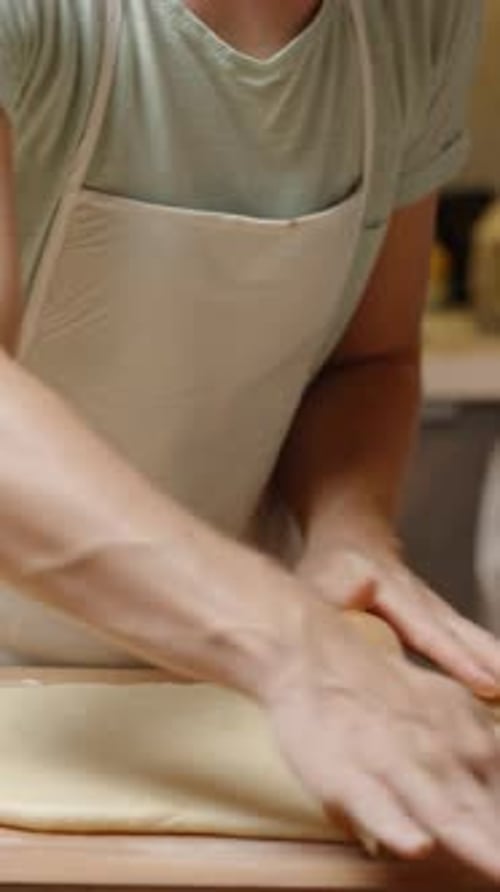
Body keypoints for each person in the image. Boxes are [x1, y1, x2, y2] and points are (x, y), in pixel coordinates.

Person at [1, 0, 500, 878]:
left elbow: (368, 360)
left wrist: (351, 537)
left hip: (220, 687)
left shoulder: (417, 17)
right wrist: (294, 645)